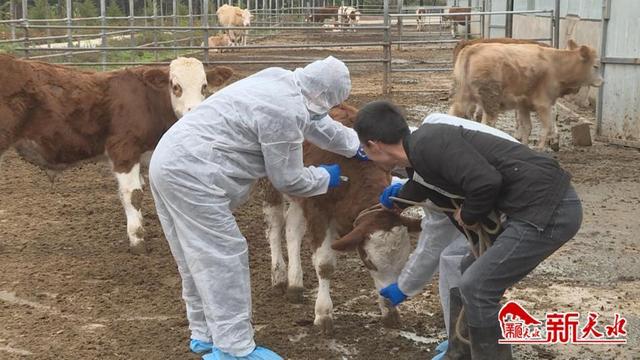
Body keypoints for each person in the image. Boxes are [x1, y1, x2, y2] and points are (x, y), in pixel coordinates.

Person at [148, 56, 368, 360]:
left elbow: (317, 123)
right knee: (222, 255)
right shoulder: (284, 111)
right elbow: (287, 179)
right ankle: (234, 348)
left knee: (192, 255)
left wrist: (355, 145)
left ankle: (203, 333)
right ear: (322, 96)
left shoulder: (281, 79)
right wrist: (325, 177)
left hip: (169, 156)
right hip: (193, 170)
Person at [354, 101, 583, 360]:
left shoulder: (429, 143)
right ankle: (461, 349)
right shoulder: (420, 158)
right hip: (537, 205)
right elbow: (426, 186)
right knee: (468, 268)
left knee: (477, 286)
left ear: (373, 144)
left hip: (547, 208)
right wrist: (400, 200)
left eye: (364, 148)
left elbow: (486, 182)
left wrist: (469, 212)